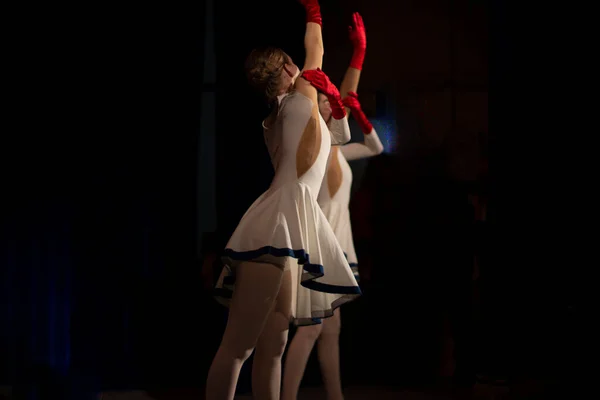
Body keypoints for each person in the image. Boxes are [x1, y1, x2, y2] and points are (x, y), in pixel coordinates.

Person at [205, 1, 361, 399]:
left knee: (273, 345)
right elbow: (317, 49)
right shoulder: (297, 100)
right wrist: (314, 11)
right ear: (290, 70)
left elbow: (338, 136)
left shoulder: (290, 111)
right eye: (297, 64)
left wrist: (347, 84)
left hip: (291, 224)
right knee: (239, 345)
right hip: (278, 223)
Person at [282, 13, 384, 400]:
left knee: (331, 330)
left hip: (339, 250)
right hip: (322, 249)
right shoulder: (317, 145)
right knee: (309, 329)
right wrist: (353, 59)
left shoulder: (339, 148)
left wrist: (360, 56)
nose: (329, 102)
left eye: (330, 100)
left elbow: (375, 147)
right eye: (323, 99)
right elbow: (333, 97)